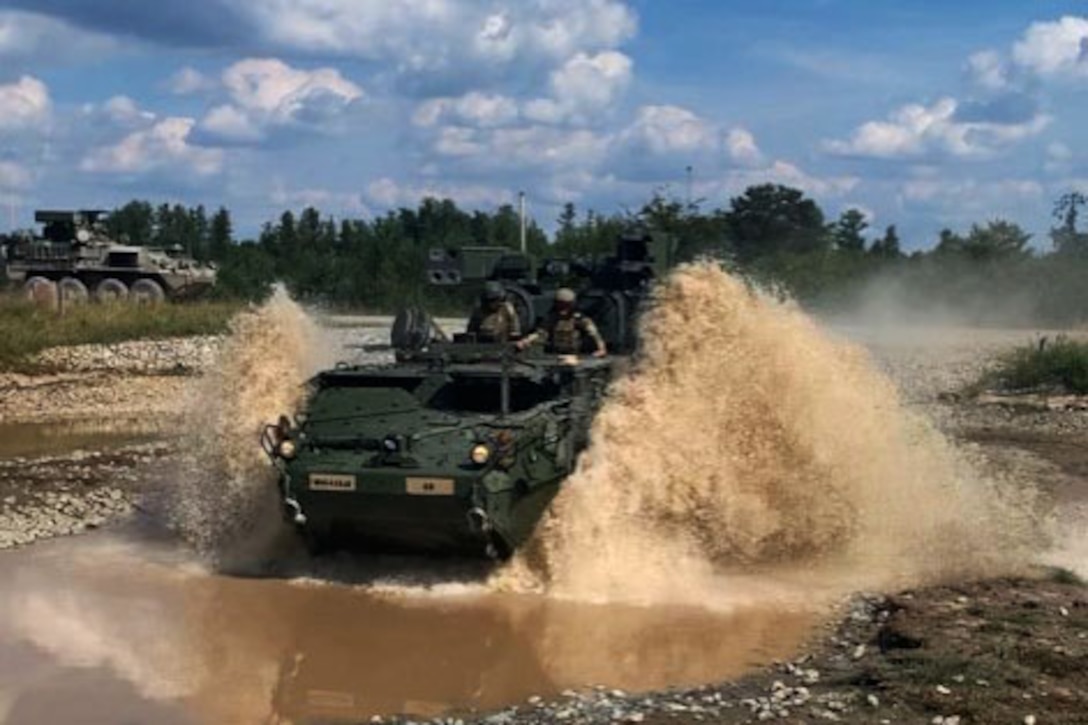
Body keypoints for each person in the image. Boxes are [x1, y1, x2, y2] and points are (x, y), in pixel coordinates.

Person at [516, 287, 607, 357]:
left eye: (566, 305)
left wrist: (601, 349)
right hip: (554, 354)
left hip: (574, 355)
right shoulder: (552, 318)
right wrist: (525, 341)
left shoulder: (579, 319)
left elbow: (594, 333)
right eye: (560, 304)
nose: (563, 309)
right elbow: (540, 332)